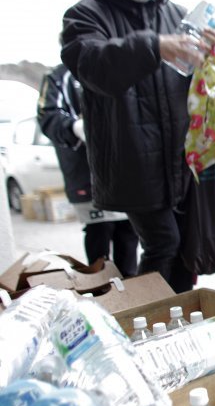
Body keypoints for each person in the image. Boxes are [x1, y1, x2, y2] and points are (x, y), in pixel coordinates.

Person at [60, 0, 215, 292]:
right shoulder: (85, 14)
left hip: (181, 162)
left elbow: (202, 84)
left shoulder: (176, 15)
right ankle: (146, 321)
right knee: (163, 243)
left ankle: (178, 317)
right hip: (131, 161)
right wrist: (154, 46)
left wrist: (214, 53)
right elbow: (93, 64)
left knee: (184, 251)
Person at [37, 63, 139, 277]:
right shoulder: (59, 77)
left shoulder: (114, 66)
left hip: (126, 174)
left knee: (129, 238)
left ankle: (132, 297)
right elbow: (47, 116)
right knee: (99, 239)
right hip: (86, 175)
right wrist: (74, 127)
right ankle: (102, 295)